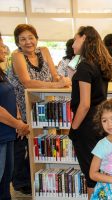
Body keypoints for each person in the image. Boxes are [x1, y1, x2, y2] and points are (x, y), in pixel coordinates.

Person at [8, 24, 71, 194]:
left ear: (36, 38)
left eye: (31, 37)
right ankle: (21, 183)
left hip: (41, 104)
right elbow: (27, 82)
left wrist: (61, 79)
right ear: (17, 42)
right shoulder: (17, 56)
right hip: (19, 105)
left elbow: (54, 73)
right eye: (23, 39)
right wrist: (56, 85)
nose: (28, 42)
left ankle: (38, 176)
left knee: (40, 142)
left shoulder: (44, 50)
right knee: (21, 145)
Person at [68, 26, 112, 199]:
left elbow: (84, 104)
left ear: (84, 38)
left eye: (75, 39)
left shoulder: (85, 66)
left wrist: (74, 128)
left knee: (91, 175)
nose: (73, 44)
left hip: (86, 125)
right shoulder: (100, 63)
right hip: (99, 122)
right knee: (99, 170)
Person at [0, 32, 30, 200]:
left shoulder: (2, 71)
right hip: (3, 134)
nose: (4, 50)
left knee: (5, 180)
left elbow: (10, 95)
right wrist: (18, 124)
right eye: (1, 45)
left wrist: (17, 120)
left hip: (8, 133)